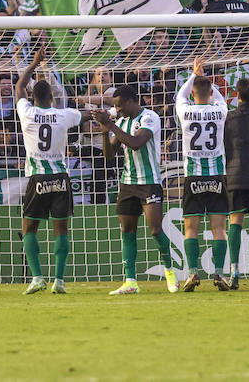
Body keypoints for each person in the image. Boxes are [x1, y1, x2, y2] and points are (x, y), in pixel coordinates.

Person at [91, 85, 178, 295]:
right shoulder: (120, 122)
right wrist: (105, 130)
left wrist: (110, 125)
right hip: (128, 183)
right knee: (127, 231)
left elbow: (136, 143)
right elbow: (109, 155)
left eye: (119, 106)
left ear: (132, 102)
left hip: (149, 182)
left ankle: (170, 271)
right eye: (115, 107)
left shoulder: (150, 118)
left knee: (156, 230)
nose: (117, 110)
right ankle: (130, 281)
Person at [15, 52, 81, 295]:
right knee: (61, 231)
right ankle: (59, 281)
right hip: (61, 178)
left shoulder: (27, 112)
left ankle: (37, 278)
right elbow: (85, 116)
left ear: (32, 98)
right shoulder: (64, 115)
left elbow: (20, 86)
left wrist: (33, 63)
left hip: (38, 179)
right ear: (52, 97)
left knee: (29, 228)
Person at [176, 59, 232, 292]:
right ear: (209, 92)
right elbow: (219, 97)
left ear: (193, 93)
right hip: (217, 176)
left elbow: (181, 95)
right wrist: (205, 77)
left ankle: (192, 273)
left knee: (191, 229)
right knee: (219, 229)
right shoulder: (220, 111)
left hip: (193, 177)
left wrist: (193, 75)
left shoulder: (185, 111)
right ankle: (218, 272)